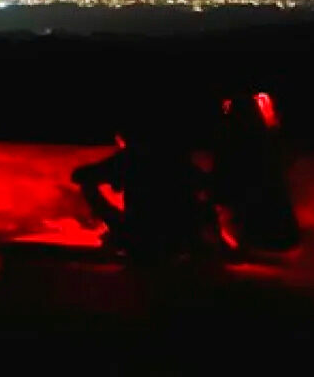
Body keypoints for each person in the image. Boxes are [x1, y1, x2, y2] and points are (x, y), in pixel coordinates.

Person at [71, 112, 216, 263]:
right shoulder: (172, 158)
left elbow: (80, 175)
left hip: (139, 237)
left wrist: (114, 176)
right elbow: (205, 183)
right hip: (175, 239)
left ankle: (122, 233)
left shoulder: (130, 157)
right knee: (202, 200)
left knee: (88, 186)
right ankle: (196, 242)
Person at [212, 90, 300, 255]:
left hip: (254, 173)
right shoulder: (238, 133)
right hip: (247, 175)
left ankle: (248, 239)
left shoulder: (254, 135)